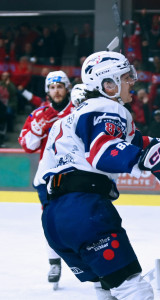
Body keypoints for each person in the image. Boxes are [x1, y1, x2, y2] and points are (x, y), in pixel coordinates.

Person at [38, 50, 160, 300]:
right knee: (133, 289)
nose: (132, 81)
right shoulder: (109, 108)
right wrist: (148, 161)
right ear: (108, 85)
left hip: (55, 217)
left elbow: (135, 141)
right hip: (86, 211)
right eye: (126, 77)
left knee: (107, 286)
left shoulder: (74, 116)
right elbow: (103, 151)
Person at [18, 70, 74, 290]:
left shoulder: (79, 110)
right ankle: (54, 263)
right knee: (52, 222)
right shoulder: (39, 114)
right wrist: (37, 128)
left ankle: (93, 261)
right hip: (49, 178)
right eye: (52, 87)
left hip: (76, 173)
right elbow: (27, 146)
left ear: (67, 88)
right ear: (47, 91)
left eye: (60, 86)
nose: (56, 91)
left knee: (83, 219)